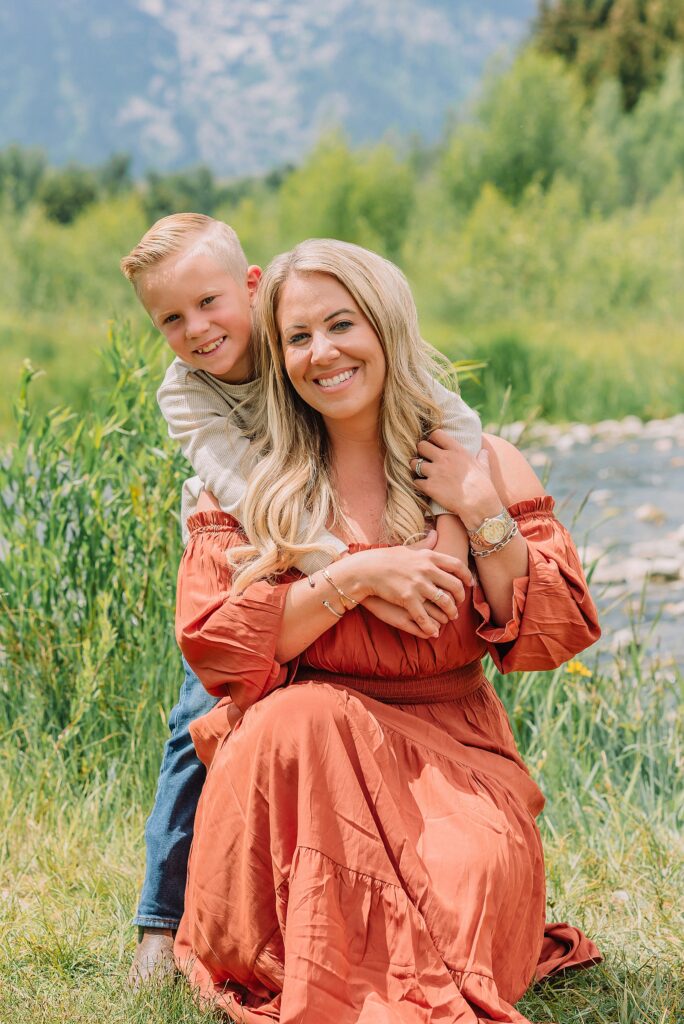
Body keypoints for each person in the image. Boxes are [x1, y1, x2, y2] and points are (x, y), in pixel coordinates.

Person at [172, 238, 602, 1023]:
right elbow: (220, 651)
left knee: (468, 880)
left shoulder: (481, 465)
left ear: (387, 326)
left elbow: (555, 633)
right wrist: (350, 580)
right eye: (297, 338)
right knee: (307, 713)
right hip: (293, 768)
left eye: (342, 325)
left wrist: (480, 512)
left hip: (454, 756)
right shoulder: (249, 486)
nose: (322, 353)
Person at [119, 215, 483, 982]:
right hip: (263, 540)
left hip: (332, 530)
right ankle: (162, 914)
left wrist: (457, 519)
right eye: (171, 320)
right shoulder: (186, 391)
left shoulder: (302, 339)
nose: (197, 329)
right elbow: (244, 488)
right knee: (200, 720)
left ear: (251, 288)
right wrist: (357, 572)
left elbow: (450, 418)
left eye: (209, 303)